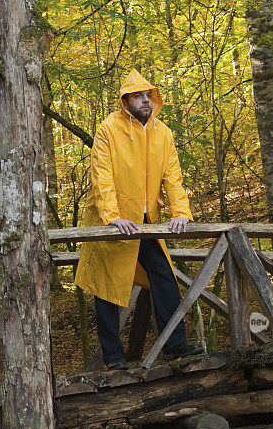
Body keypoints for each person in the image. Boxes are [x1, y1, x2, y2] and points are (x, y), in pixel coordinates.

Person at [75, 69, 204, 369]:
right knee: (107, 287)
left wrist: (181, 212)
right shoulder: (108, 129)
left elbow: (173, 177)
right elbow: (101, 175)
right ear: (125, 100)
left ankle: (174, 344)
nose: (145, 100)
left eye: (148, 95)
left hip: (146, 222)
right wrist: (111, 216)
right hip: (113, 222)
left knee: (164, 275)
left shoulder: (164, 133)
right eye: (138, 96)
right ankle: (114, 358)